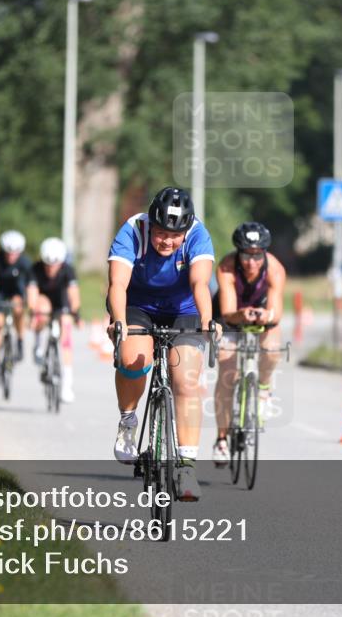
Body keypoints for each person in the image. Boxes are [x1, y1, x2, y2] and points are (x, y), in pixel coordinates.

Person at [106, 186, 219, 501]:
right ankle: (128, 420)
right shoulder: (132, 230)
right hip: (138, 305)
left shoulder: (198, 234)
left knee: (186, 381)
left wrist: (208, 321)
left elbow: (199, 282)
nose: (167, 240)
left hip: (184, 309)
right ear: (150, 225)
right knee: (133, 359)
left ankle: (185, 465)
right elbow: (117, 283)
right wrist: (118, 322)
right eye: (160, 233)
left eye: (175, 235)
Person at [211, 222, 286, 467]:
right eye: (245, 255)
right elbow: (228, 312)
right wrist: (242, 316)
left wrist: (267, 316)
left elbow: (277, 313)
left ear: (263, 253)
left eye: (256, 256)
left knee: (272, 350)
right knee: (227, 371)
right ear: (238, 252)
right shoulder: (227, 267)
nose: (251, 262)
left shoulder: (275, 269)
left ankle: (263, 389)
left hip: (262, 313)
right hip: (231, 316)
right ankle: (222, 439)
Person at [30, 237, 81, 403]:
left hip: (61, 302)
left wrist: (75, 313)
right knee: (41, 308)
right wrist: (33, 312)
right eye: (47, 264)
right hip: (44, 300)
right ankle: (38, 344)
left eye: (55, 264)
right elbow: (32, 294)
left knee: (66, 333)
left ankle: (67, 385)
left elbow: (74, 295)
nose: (51, 268)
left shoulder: (67, 270)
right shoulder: (35, 269)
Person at [0, 230, 35, 386]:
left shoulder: (25, 262)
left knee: (18, 308)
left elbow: (31, 287)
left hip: (16, 292)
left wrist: (31, 308)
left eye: (15, 253)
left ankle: (19, 339)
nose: (11, 256)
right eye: (8, 253)